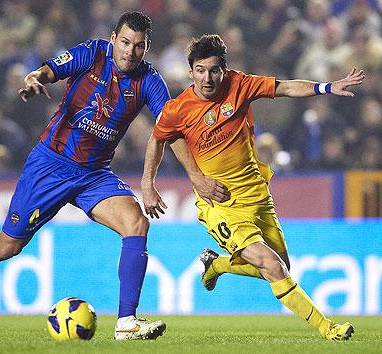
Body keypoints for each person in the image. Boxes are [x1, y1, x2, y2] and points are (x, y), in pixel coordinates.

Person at [0, 12, 226, 340]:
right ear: (112, 38)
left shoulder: (149, 81)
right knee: (9, 246)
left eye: (139, 46)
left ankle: (126, 322)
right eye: (124, 42)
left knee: (136, 223)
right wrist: (35, 78)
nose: (129, 52)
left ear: (146, 49)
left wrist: (191, 178)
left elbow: (171, 132)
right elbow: (49, 69)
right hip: (51, 165)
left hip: (94, 175)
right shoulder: (92, 53)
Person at [141, 34, 365, 341]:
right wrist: (149, 184)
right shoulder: (178, 109)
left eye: (214, 70)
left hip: (257, 195)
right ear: (190, 71)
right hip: (220, 203)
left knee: (280, 266)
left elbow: (285, 87)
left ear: (224, 70)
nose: (208, 78)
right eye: (201, 70)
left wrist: (325, 87)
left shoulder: (240, 84)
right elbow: (158, 138)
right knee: (272, 266)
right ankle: (329, 329)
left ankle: (217, 265)